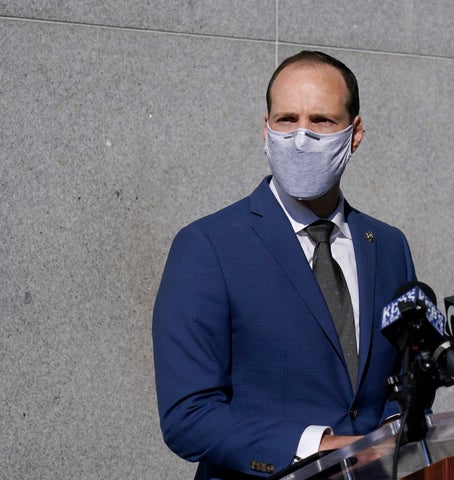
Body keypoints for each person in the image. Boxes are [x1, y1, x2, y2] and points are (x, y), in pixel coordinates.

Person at [152, 50, 417, 479]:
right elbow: (189, 415)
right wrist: (320, 447)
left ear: (355, 134)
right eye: (287, 119)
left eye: (322, 121)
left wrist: (391, 436)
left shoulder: (387, 246)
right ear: (266, 128)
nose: (301, 136)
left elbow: (399, 382)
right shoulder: (207, 246)